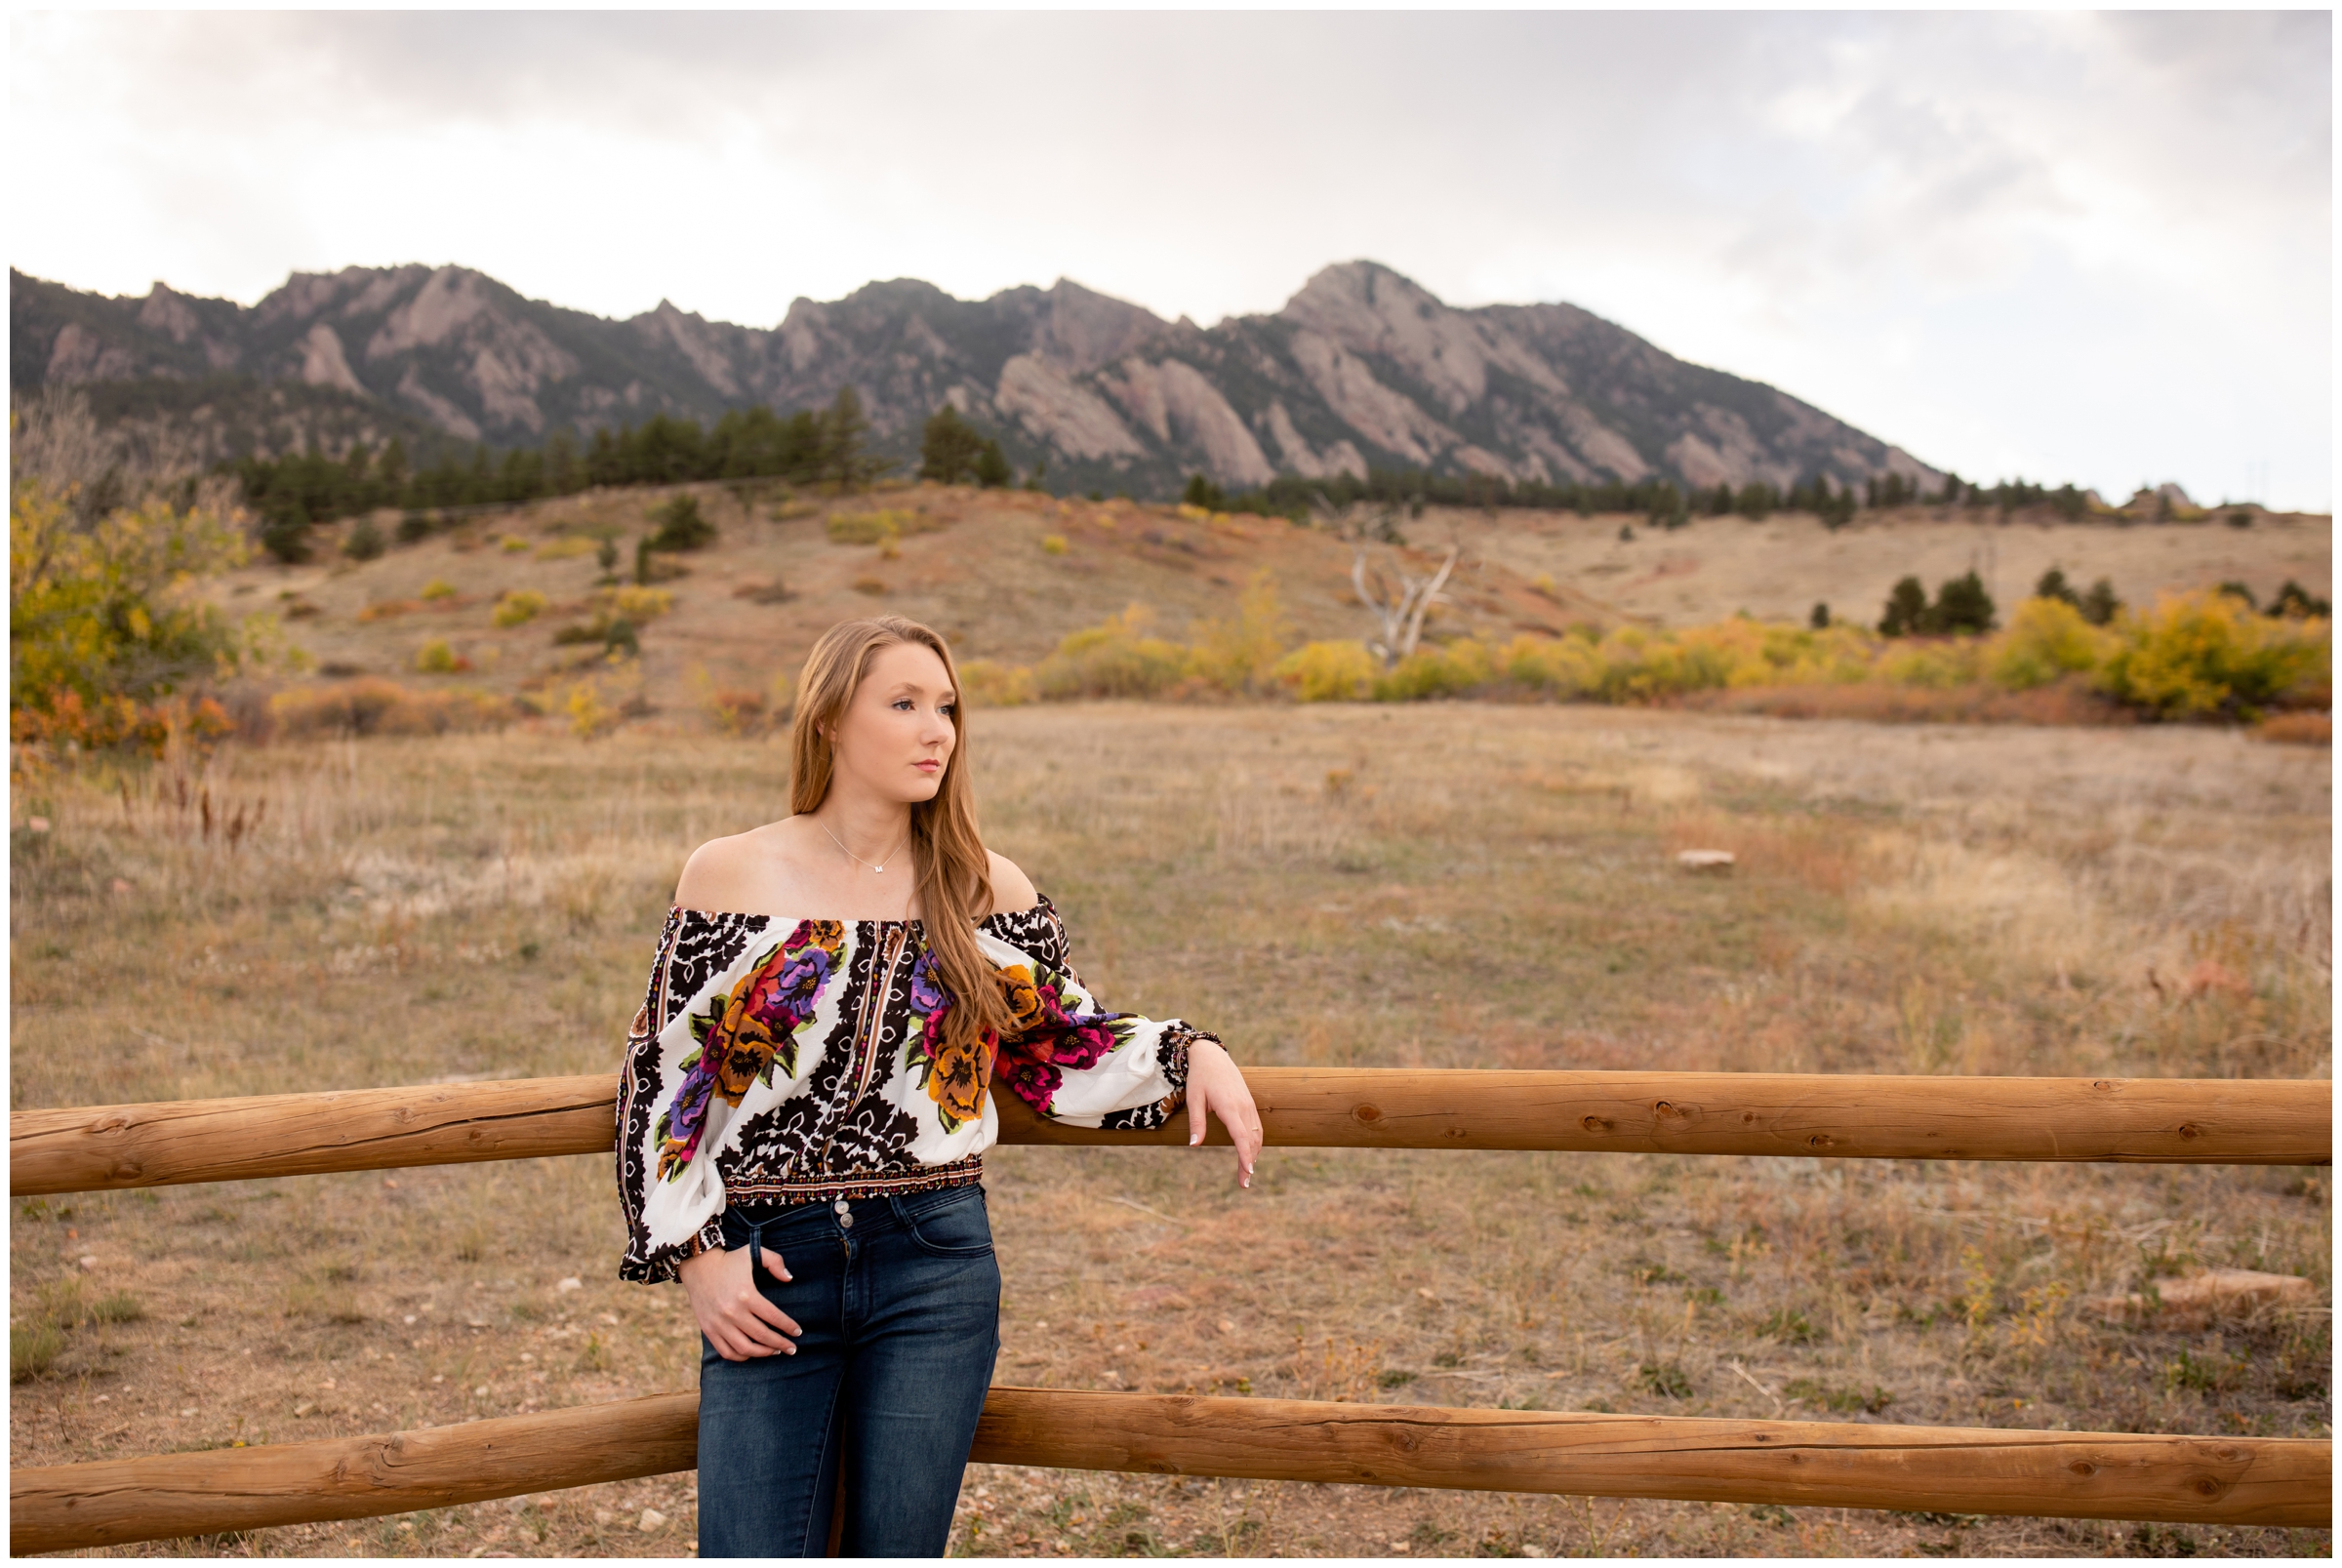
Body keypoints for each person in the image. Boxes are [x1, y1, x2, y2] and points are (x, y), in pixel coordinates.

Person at [616, 615, 1264, 1558]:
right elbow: (664, 1084)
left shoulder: (981, 885)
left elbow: (1060, 1047)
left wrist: (1185, 1052)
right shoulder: (730, 875)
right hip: (771, 1264)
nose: (937, 731)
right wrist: (697, 1255)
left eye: (947, 707)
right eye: (905, 703)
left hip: (935, 1264)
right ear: (831, 718)